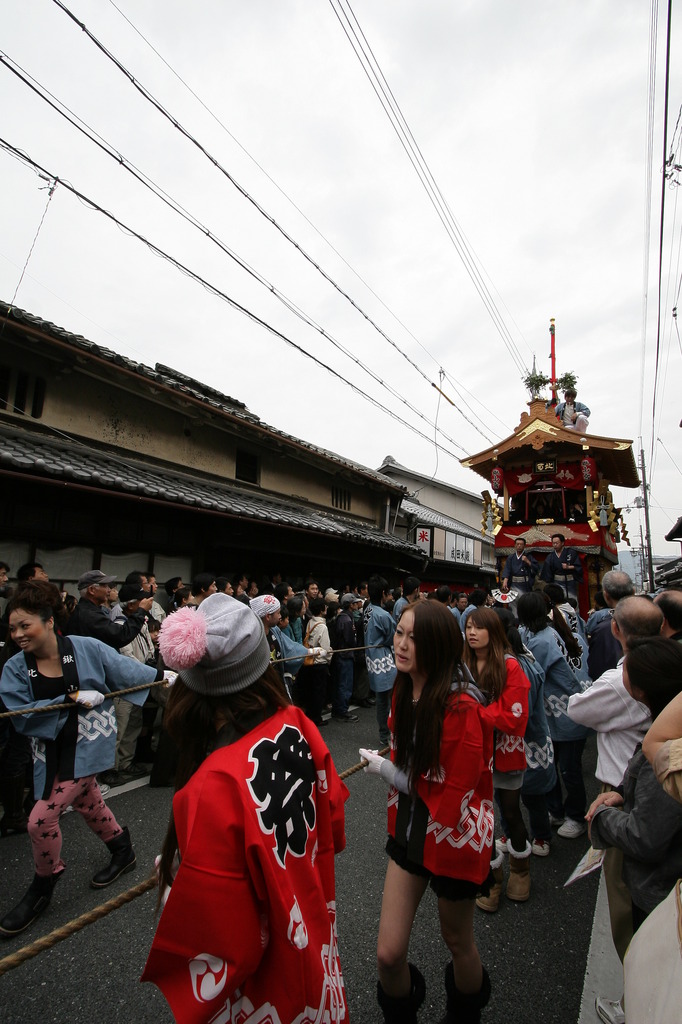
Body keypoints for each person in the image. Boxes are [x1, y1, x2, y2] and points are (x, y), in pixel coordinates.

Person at [142, 593, 349, 1023]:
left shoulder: (208, 786)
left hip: (263, 989)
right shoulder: (297, 722)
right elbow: (333, 823)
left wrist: (173, 882)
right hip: (312, 931)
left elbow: (216, 937)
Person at [0, 581, 166, 937]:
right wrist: (71, 698)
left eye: (24, 625)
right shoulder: (17, 667)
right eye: (12, 628)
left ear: (48, 621)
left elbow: (124, 670)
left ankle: (44, 883)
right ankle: (123, 850)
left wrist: (162, 677)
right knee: (90, 803)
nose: (17, 634)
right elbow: (18, 712)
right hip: (48, 752)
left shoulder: (85, 648)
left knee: (39, 821)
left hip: (87, 746)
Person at [359, 601, 493, 1024]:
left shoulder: (463, 706)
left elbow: (454, 786)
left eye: (413, 637)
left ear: (436, 644)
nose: (401, 644)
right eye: (399, 632)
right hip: (411, 830)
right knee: (388, 952)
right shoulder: (404, 686)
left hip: (454, 834)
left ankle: (463, 1015)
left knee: (457, 939)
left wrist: (389, 772)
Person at [588, 638, 682, 930]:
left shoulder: (667, 753)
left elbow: (646, 837)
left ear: (640, 690)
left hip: (662, 898)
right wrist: (621, 795)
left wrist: (601, 818)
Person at [463, 609, 531, 909]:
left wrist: (473, 714)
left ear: (494, 631)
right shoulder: (462, 664)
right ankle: (492, 875)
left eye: (478, 627)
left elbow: (513, 715)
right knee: (482, 815)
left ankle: (520, 868)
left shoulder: (510, 665)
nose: (472, 632)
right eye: (468, 627)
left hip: (504, 749)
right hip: (474, 749)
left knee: (511, 810)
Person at [517, 591, 589, 839]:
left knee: (567, 770)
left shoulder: (540, 641)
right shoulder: (551, 631)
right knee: (559, 766)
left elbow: (531, 678)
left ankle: (575, 816)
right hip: (566, 711)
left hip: (563, 714)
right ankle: (556, 809)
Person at [363, 575, 397, 746]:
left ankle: (385, 732)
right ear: (384, 593)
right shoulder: (383, 615)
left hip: (371, 656)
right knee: (387, 699)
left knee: (382, 699)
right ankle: (386, 733)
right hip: (383, 659)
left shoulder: (367, 609)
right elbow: (393, 637)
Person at [539, 533, 583, 602]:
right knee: (558, 601)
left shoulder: (571, 553)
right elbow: (547, 572)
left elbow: (578, 566)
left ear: (562, 543)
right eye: (553, 543)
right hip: (557, 582)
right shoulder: (551, 556)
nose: (555, 545)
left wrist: (568, 567)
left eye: (557, 543)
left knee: (573, 600)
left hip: (570, 581)